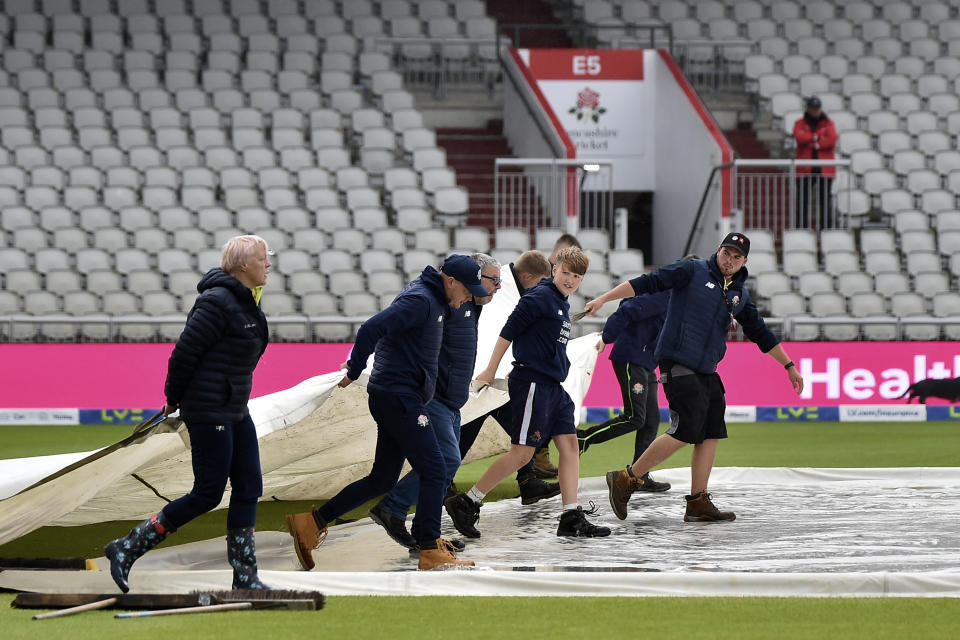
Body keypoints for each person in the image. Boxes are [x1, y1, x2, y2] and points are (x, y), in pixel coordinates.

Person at [583, 232, 804, 523]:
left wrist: (788, 365)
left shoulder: (739, 294)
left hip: (707, 368)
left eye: (736, 257)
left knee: (712, 429)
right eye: (727, 253)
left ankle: (698, 501)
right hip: (676, 361)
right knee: (686, 428)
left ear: (744, 261)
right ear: (719, 250)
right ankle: (627, 478)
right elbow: (646, 283)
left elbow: (760, 332)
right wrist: (603, 298)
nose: (730, 260)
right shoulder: (691, 270)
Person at [286, 254, 489, 571]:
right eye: (468, 289)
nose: (470, 296)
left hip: (397, 396)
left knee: (382, 478)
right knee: (436, 469)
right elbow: (371, 328)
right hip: (399, 397)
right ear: (451, 281)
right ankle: (428, 546)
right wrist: (354, 370)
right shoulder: (421, 300)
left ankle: (311, 522)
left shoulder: (434, 298)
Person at [104, 235, 273, 593]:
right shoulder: (217, 302)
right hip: (208, 407)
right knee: (208, 493)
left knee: (249, 486)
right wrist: (174, 397)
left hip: (234, 407)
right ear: (243, 266)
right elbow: (183, 355)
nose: (268, 264)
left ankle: (245, 576)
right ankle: (127, 547)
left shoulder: (246, 302)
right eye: (263, 258)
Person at [445, 247, 611, 539]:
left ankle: (570, 515)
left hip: (553, 386)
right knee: (522, 454)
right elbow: (508, 332)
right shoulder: (539, 298)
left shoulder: (559, 301)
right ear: (554, 268)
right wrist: (489, 370)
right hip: (533, 382)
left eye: (578, 276)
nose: (571, 280)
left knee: (570, 447)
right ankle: (468, 501)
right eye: (567, 273)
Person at [368, 254, 502, 550]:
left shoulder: (470, 305)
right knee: (444, 463)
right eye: (494, 280)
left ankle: (419, 528)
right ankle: (398, 512)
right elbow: (398, 331)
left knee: (443, 466)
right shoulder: (447, 302)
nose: (498, 287)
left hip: (452, 401)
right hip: (434, 398)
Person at [455, 250, 560, 505]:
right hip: (483, 377)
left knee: (522, 431)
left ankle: (528, 480)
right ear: (527, 276)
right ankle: (442, 482)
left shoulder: (509, 291)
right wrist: (493, 368)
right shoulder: (505, 295)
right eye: (541, 282)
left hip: (493, 377)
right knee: (473, 425)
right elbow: (500, 331)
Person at [576, 290, 672, 493]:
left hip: (646, 363)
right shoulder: (663, 295)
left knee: (651, 420)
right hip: (631, 358)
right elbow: (628, 308)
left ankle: (639, 475)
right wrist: (608, 337)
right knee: (636, 417)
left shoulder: (677, 301)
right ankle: (583, 439)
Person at [793, 95, 838, 230]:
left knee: (825, 200)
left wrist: (816, 144)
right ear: (808, 109)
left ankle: (826, 229)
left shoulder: (828, 123)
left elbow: (832, 139)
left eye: (817, 108)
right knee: (803, 200)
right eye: (813, 109)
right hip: (805, 169)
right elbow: (800, 137)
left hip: (824, 169)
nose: (815, 111)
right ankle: (801, 228)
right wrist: (816, 136)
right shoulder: (800, 123)